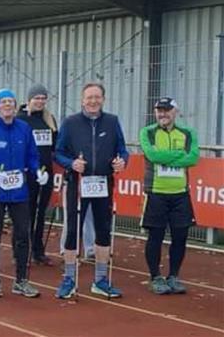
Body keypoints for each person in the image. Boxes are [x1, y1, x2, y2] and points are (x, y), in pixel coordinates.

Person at [54, 82, 128, 299]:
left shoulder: (112, 122)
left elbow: (122, 149)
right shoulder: (70, 122)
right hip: (78, 183)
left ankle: (101, 280)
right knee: (72, 231)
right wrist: (71, 164)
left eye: (97, 97)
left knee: (103, 231)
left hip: (103, 183)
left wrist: (121, 161)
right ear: (82, 100)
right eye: (89, 97)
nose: (93, 101)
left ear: (103, 99)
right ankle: (68, 278)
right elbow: (58, 152)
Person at [0, 89, 46, 298]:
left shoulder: (24, 128)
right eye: (3, 102)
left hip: (19, 191)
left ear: (15, 105)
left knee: (23, 233)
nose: (7, 105)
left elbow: (32, 156)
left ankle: (21, 280)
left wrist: (38, 171)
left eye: (10, 101)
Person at [139, 97, 199, 295]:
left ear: (175, 112)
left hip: (180, 193)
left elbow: (194, 158)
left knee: (180, 236)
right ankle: (155, 276)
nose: (163, 114)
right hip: (156, 192)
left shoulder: (188, 133)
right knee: (155, 236)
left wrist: (166, 156)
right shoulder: (147, 132)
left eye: (167, 110)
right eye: (159, 110)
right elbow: (153, 156)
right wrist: (178, 157)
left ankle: (173, 275)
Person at [16, 84, 58, 266]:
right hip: (27, 174)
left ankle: (38, 250)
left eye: (43, 98)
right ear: (29, 99)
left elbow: (55, 145)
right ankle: (20, 251)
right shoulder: (21, 119)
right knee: (26, 213)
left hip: (46, 173)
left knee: (41, 212)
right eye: (37, 98)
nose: (40, 101)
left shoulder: (49, 119)